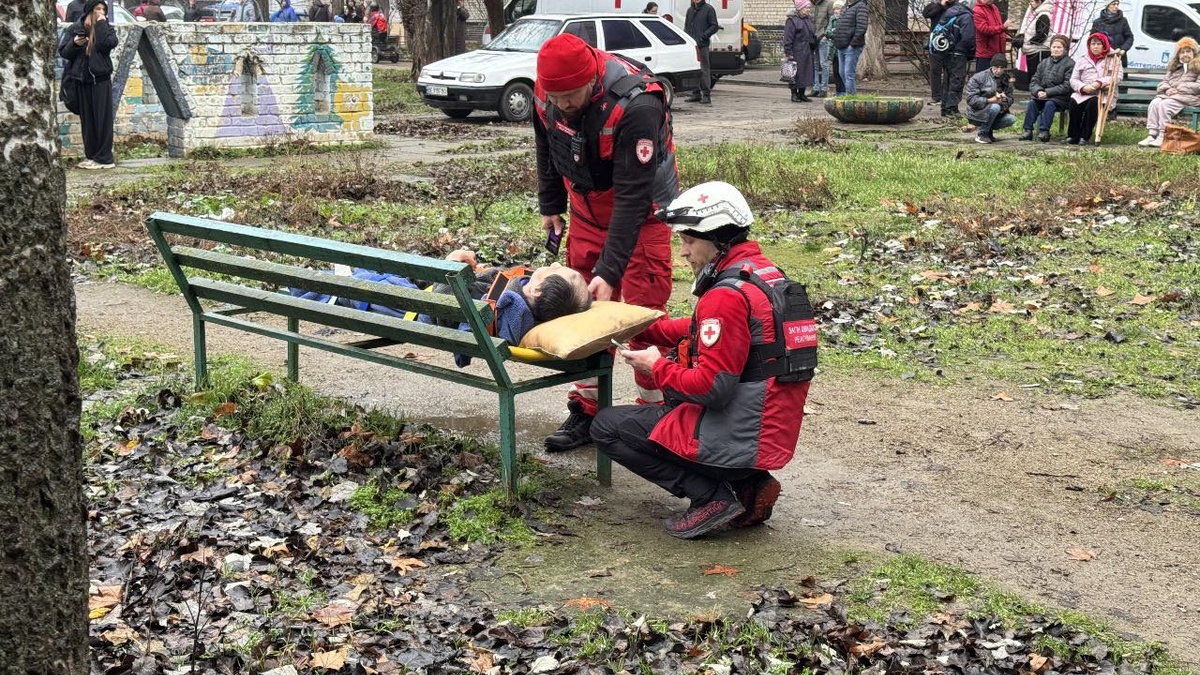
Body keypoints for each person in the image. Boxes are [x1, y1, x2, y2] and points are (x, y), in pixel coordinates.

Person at [591, 181, 815, 540]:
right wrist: (642, 326)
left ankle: (711, 496)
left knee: (607, 426)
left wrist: (656, 367)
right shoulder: (762, 276)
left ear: (716, 239)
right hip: (767, 430)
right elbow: (701, 330)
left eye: (688, 240)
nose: (682, 252)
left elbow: (712, 387)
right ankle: (749, 486)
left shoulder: (724, 297)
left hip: (737, 435)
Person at [531, 34, 678, 452]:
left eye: (570, 95)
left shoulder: (639, 106)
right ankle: (586, 408)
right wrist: (551, 204)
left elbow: (633, 196)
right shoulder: (548, 93)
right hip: (585, 208)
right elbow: (547, 144)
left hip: (642, 214)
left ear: (593, 77)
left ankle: (657, 413)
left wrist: (610, 272)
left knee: (641, 317)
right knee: (580, 312)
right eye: (554, 96)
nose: (561, 103)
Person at [290, 251, 592, 364]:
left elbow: (454, 310)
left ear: (537, 290)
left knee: (360, 284)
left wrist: (447, 265)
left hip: (411, 311)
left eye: (559, 270)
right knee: (369, 278)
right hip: (423, 302)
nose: (554, 263)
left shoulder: (510, 306)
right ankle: (324, 283)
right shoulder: (517, 301)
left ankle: (309, 286)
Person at [59, 0, 118, 170]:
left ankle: (105, 158)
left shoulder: (106, 28)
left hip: (100, 80)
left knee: (102, 120)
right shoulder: (76, 29)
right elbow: (64, 52)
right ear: (89, 10)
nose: (101, 12)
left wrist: (100, 24)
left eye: (103, 9)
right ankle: (92, 156)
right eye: (97, 9)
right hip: (82, 80)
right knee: (88, 121)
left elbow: (107, 44)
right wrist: (75, 44)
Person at [1138, 37, 1200, 148]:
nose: (1185, 54)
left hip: (1190, 97)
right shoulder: (1175, 67)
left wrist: (1179, 89)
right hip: (1172, 95)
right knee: (1154, 103)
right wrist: (1167, 89)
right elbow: (1164, 82)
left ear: (1194, 52)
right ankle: (1152, 135)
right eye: (1182, 52)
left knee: (1164, 105)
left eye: (1188, 51)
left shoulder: (1198, 66)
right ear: (1178, 54)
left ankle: (1163, 136)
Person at [1067, 32, 1120, 146]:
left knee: (1093, 104)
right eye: (1093, 44)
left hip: (1102, 93)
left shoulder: (1114, 58)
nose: (1095, 46)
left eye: (1098, 44)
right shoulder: (1082, 59)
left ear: (1104, 45)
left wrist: (1099, 83)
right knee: (1073, 102)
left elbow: (1117, 77)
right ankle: (1073, 135)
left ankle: (1084, 136)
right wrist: (1083, 87)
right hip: (1084, 91)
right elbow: (1073, 79)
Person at [924, 0, 974, 118]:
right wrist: (969, 52)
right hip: (959, 53)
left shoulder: (948, 13)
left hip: (946, 51)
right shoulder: (965, 16)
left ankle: (944, 108)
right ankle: (952, 109)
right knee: (957, 80)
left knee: (947, 79)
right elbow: (968, 38)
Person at [1019, 35, 1073, 142]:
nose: (1056, 49)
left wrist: (1047, 93)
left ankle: (1044, 131)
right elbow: (1034, 81)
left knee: (1049, 104)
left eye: (1059, 47)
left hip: (1060, 98)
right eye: (1054, 47)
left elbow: (1066, 86)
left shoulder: (1070, 64)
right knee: (1032, 103)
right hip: (1042, 95)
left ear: (1065, 50)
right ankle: (1027, 130)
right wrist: (1039, 91)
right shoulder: (1044, 62)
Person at [966, 53, 1015, 143]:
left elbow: (1011, 98)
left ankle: (988, 131)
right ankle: (982, 134)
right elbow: (971, 99)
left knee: (1011, 119)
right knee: (995, 107)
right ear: (992, 66)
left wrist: (1003, 103)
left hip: (997, 111)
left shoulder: (1006, 79)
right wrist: (990, 100)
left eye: (1002, 68)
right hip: (977, 112)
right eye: (996, 67)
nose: (998, 70)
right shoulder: (979, 77)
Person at [684, 0, 719, 104]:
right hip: (691, 45)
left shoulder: (708, 9)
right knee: (693, 70)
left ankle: (706, 95)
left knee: (704, 70)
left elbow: (714, 26)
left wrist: (703, 36)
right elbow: (687, 27)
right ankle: (695, 93)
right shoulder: (690, 10)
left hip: (702, 45)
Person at [783, 0, 817, 102]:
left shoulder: (808, 19)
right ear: (800, 8)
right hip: (796, 51)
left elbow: (812, 33)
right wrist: (789, 53)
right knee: (795, 73)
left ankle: (802, 94)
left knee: (806, 73)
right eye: (806, 8)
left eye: (809, 7)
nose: (808, 9)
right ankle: (794, 94)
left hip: (807, 50)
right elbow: (788, 38)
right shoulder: (792, 20)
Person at [831, 0, 867, 94]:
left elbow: (861, 27)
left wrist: (853, 44)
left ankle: (850, 98)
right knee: (842, 73)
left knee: (848, 74)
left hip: (851, 47)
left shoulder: (861, 6)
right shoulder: (846, 6)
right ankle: (851, 95)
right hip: (841, 46)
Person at [1090, 0, 1133, 72]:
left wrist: (1123, 49)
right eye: (1113, 4)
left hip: (1119, 57)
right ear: (1107, 5)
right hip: (1102, 58)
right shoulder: (1098, 22)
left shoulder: (1123, 21)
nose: (1116, 6)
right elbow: (1092, 40)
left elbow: (1129, 37)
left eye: (1117, 4)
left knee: (1119, 80)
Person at [1016, 0, 1053, 82]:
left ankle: (1035, 93)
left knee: (1035, 76)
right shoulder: (1039, 14)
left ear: (1039, 1)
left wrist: (1027, 42)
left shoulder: (1043, 15)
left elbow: (1042, 35)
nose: (1030, 3)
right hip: (1035, 50)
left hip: (1038, 51)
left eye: (1032, 1)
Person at [973, 0, 1014, 73]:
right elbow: (984, 29)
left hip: (998, 53)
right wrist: (1003, 27)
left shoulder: (994, 7)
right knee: (984, 80)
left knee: (997, 80)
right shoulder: (978, 10)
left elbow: (998, 26)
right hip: (985, 54)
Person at [811, 0, 831, 97]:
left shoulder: (828, 3)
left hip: (823, 38)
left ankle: (824, 89)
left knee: (824, 64)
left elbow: (832, 20)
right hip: (813, 39)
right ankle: (815, 88)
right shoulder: (811, 5)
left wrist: (825, 35)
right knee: (814, 64)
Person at [827, 1, 845, 95]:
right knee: (836, 72)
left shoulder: (845, 18)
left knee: (842, 71)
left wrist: (834, 31)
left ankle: (843, 91)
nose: (836, 11)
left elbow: (842, 32)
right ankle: (838, 91)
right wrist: (835, 31)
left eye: (838, 9)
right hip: (834, 49)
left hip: (842, 48)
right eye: (834, 9)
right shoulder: (832, 19)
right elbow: (828, 32)